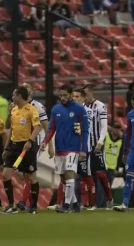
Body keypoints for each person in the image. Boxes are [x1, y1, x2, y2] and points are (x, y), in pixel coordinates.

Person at [41, 85, 89, 213]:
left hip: (73, 147)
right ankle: (75, 204)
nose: (62, 98)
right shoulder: (56, 109)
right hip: (59, 148)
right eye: (60, 96)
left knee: (69, 173)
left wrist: (83, 149)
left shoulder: (79, 109)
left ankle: (66, 205)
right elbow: (51, 128)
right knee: (63, 178)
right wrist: (45, 141)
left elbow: (85, 131)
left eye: (65, 95)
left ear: (70, 94)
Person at [2, 86, 42, 214]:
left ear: (19, 96)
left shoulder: (32, 110)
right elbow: (10, 128)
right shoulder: (13, 110)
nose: (12, 97)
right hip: (13, 146)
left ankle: (34, 206)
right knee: (5, 175)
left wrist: (30, 141)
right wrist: (6, 147)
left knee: (31, 177)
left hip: (27, 147)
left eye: (14, 95)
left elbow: (37, 127)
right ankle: (11, 205)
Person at [17, 82, 53, 212]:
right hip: (19, 144)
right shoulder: (17, 106)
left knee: (30, 174)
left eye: (27, 88)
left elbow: (46, 126)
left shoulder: (37, 106)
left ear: (31, 91)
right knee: (26, 175)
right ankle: (30, 204)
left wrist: (50, 145)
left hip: (33, 144)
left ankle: (23, 202)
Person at [83, 84, 113, 209]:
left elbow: (104, 126)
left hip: (96, 143)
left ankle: (110, 198)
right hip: (85, 145)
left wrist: (100, 141)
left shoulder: (100, 106)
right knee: (87, 174)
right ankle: (91, 203)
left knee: (100, 173)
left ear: (91, 92)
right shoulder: (82, 107)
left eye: (85, 94)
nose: (84, 97)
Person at [71, 88, 96, 211]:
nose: (74, 99)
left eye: (77, 96)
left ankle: (91, 203)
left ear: (83, 98)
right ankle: (72, 203)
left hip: (84, 147)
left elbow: (85, 130)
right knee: (70, 176)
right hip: (71, 148)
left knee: (86, 175)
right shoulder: (70, 110)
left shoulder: (88, 112)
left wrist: (83, 149)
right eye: (73, 96)